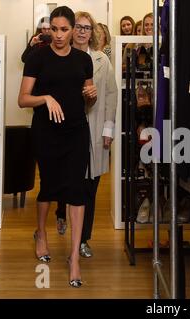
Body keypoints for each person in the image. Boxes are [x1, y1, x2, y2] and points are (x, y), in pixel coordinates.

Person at [18, 6, 97, 288]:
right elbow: (23, 99)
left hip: (76, 132)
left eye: (65, 29)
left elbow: (89, 99)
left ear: (75, 29)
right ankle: (41, 233)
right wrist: (46, 98)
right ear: (49, 28)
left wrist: (92, 94)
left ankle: (74, 256)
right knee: (49, 187)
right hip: (46, 132)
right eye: (55, 28)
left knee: (77, 190)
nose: (59, 35)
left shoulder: (83, 60)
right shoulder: (38, 57)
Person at [56, 11, 117, 259]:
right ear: (71, 30)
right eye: (78, 27)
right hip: (67, 130)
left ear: (93, 32)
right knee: (67, 182)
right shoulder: (60, 57)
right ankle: (61, 212)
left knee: (90, 186)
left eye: (87, 27)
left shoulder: (102, 59)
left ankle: (82, 239)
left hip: (95, 130)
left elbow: (111, 95)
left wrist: (108, 129)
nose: (82, 31)